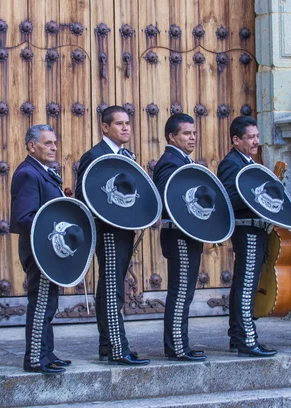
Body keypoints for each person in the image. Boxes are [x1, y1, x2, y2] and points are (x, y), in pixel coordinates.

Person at [75, 106, 150, 365]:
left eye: (127, 123)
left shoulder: (127, 155)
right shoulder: (94, 156)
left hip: (124, 230)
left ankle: (107, 348)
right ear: (105, 127)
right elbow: (83, 194)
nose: (125, 128)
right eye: (119, 124)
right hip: (107, 231)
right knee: (111, 289)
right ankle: (118, 348)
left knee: (113, 287)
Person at [10, 124, 70, 374]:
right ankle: (35, 358)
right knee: (41, 303)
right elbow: (25, 217)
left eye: (54, 143)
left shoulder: (44, 171)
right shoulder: (28, 173)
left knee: (49, 303)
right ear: (32, 146)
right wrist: (56, 227)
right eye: (47, 143)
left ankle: (47, 353)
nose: (53, 147)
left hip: (49, 250)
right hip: (39, 250)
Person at [217, 116, 277, 357]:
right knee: (246, 284)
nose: (256, 142)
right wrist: (259, 195)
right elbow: (229, 198)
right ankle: (246, 339)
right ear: (235, 140)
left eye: (257, 137)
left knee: (246, 283)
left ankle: (237, 336)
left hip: (255, 229)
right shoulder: (232, 164)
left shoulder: (248, 162)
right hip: (246, 230)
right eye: (250, 137)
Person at [153, 113, 207, 362]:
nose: (192, 137)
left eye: (194, 133)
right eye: (186, 133)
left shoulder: (182, 159)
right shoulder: (170, 162)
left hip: (188, 235)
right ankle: (176, 346)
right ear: (172, 136)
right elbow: (168, 198)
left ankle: (180, 344)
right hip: (179, 236)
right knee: (180, 291)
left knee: (185, 292)